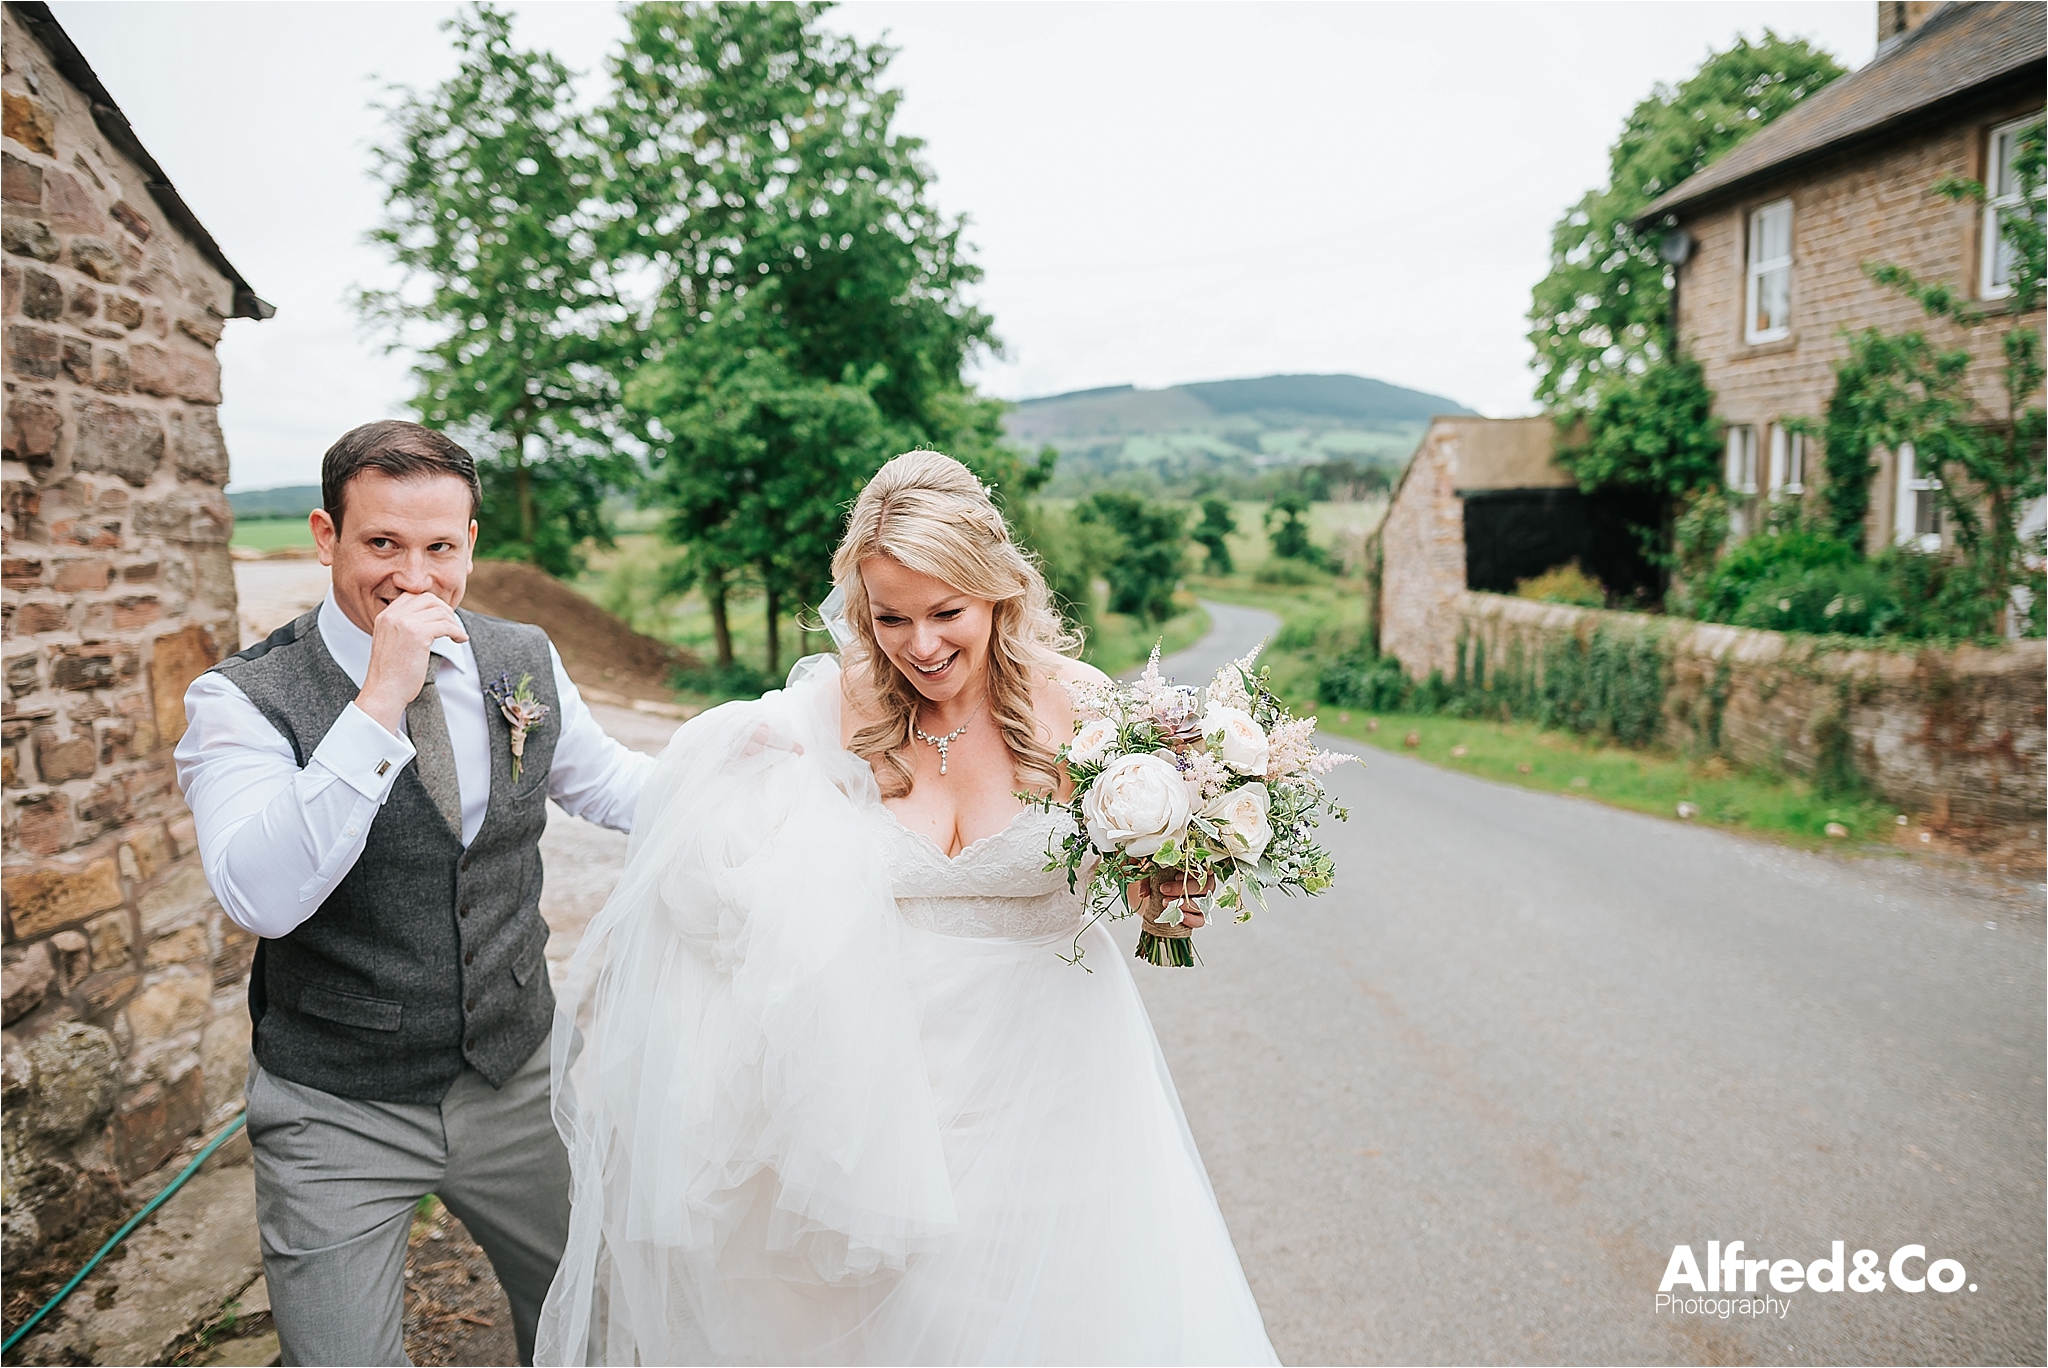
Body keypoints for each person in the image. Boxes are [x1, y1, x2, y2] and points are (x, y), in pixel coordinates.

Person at [538, 450, 1277, 1365]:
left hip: (1053, 1069)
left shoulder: (1082, 711)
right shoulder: (835, 711)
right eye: (891, 618)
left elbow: (1141, 891)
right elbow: (741, 884)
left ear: (999, 594)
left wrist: (1170, 900)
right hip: (877, 1082)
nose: (920, 646)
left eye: (946, 614)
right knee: (899, 1325)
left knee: (1037, 1318)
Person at [175, 421, 655, 1366]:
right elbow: (261, 897)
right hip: (336, 1108)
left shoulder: (522, 656)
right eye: (382, 545)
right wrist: (377, 702)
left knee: (593, 1328)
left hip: (521, 1079)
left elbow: (613, 786)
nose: (414, 577)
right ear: (326, 537)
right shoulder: (239, 700)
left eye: (440, 547)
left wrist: (757, 766)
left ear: (471, 541)